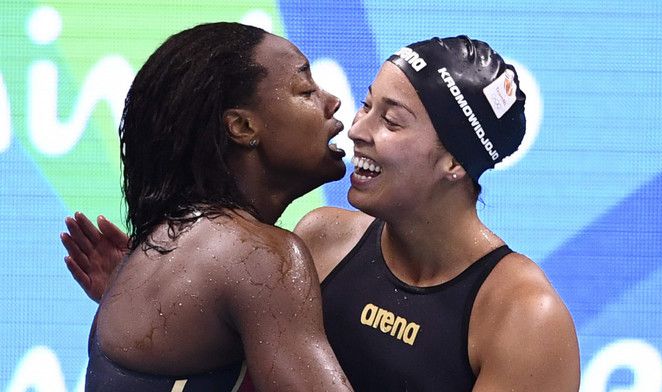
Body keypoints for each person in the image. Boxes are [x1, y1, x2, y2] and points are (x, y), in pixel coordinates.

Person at [63, 34, 580, 391]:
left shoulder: (522, 317)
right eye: (368, 105)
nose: (358, 130)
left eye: (392, 121)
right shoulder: (321, 240)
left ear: (452, 161)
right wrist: (165, 306)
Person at [59, 22, 354, 391]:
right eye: (305, 90)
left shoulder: (154, 251)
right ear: (243, 126)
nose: (333, 101)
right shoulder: (258, 257)